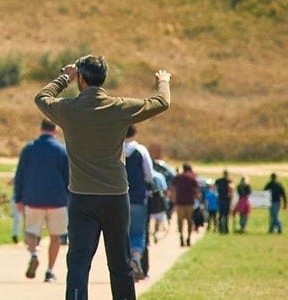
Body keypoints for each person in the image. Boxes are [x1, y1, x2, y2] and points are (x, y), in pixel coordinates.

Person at [36, 55, 171, 300]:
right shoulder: (118, 107)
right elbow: (161, 101)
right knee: (120, 264)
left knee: (78, 263)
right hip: (116, 197)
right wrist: (163, 80)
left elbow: (41, 97)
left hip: (81, 197)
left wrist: (65, 77)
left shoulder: (69, 110)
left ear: (82, 79)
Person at [14, 119, 70, 284]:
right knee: (55, 236)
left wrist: (18, 197)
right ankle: (49, 271)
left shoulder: (29, 149)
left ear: (41, 129)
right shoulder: (62, 150)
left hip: (33, 198)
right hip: (57, 200)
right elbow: (69, 177)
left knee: (31, 232)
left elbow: (20, 175)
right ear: (56, 129)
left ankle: (33, 254)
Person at [121, 126, 153, 280]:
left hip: (120, 197)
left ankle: (124, 266)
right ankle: (136, 258)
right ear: (134, 133)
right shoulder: (141, 151)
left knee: (122, 233)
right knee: (138, 232)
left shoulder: (116, 150)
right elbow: (148, 175)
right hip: (138, 197)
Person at [170, 164, 199, 247]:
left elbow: (173, 188)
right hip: (190, 203)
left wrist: (173, 199)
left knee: (180, 221)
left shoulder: (178, 177)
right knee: (189, 221)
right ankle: (189, 238)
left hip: (179, 203)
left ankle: (181, 237)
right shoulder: (192, 178)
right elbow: (196, 190)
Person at [213, 170, 232, 235]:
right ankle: (226, 229)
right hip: (226, 200)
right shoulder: (229, 181)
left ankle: (220, 229)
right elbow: (230, 190)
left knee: (220, 215)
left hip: (220, 199)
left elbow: (214, 188)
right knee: (226, 216)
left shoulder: (218, 181)